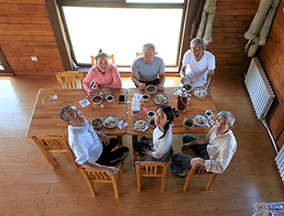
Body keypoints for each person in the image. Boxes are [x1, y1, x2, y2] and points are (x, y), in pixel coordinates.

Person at [59, 105, 129, 176]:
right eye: (73, 116)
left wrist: (101, 134)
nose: (78, 116)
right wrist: (106, 169)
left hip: (98, 147)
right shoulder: (76, 140)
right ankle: (108, 165)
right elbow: (84, 163)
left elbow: (89, 130)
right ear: (68, 123)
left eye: (77, 112)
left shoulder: (80, 121)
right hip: (98, 160)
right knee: (125, 150)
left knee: (114, 141)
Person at [170, 111, 237, 177]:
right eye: (218, 121)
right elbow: (205, 139)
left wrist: (202, 162)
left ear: (230, 127)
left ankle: (181, 172)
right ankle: (189, 160)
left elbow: (220, 167)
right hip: (207, 149)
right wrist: (191, 144)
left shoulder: (229, 144)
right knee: (186, 137)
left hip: (208, 161)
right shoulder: (215, 128)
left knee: (176, 157)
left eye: (224, 124)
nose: (219, 125)